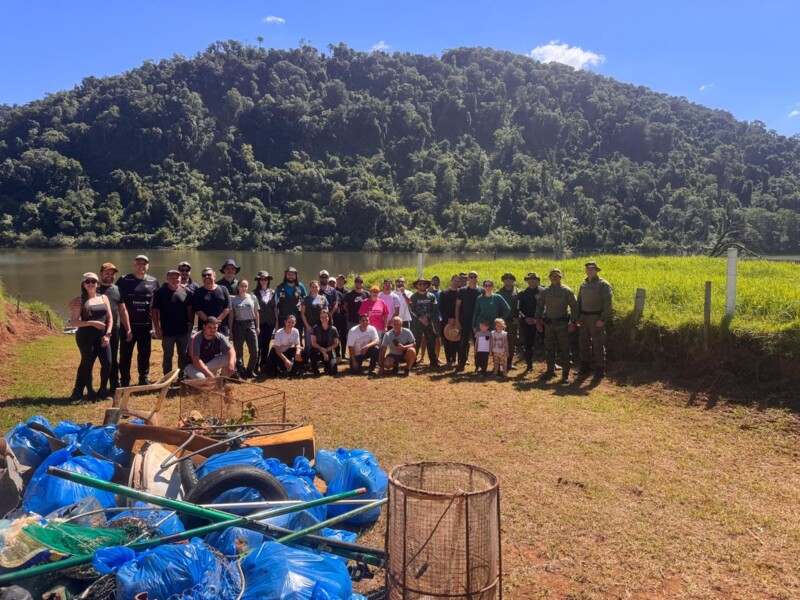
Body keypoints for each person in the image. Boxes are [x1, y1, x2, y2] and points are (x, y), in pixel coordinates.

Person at [68, 272, 113, 400]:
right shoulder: (80, 301)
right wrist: (91, 323)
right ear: (83, 284)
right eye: (87, 281)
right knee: (87, 364)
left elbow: (110, 319)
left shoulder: (104, 298)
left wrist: (108, 335)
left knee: (107, 363)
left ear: (98, 283)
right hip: (85, 337)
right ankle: (90, 392)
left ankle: (103, 390)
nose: (91, 284)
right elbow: (73, 322)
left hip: (103, 336)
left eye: (93, 281)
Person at [117, 255, 159, 387]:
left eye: (144, 263)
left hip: (145, 326)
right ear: (134, 265)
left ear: (148, 266)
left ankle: (143, 378)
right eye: (139, 263)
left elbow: (157, 305)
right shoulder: (124, 280)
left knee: (145, 354)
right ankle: (124, 380)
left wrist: (156, 326)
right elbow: (114, 298)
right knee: (125, 354)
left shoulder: (153, 281)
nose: (141, 265)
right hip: (128, 326)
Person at [536, 269, 578, 383]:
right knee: (549, 349)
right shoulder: (545, 291)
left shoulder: (566, 291)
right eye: (552, 276)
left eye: (557, 276)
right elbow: (539, 306)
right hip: (549, 325)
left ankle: (565, 375)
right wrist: (538, 321)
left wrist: (573, 323)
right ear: (549, 278)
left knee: (565, 349)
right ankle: (550, 371)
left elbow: (574, 306)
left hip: (563, 325)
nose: (555, 278)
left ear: (560, 277)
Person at [152, 269, 194, 379]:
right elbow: (155, 311)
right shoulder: (160, 292)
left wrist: (191, 324)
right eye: (172, 277)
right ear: (167, 279)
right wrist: (157, 328)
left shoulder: (187, 292)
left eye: (177, 277)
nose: (175, 279)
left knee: (183, 355)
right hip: (167, 331)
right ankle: (167, 378)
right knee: (167, 356)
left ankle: (182, 376)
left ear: (181, 279)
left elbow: (190, 310)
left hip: (183, 331)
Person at [577, 261, 613, 378]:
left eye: (592, 269)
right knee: (584, 343)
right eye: (588, 269)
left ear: (597, 270)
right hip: (584, 318)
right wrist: (577, 317)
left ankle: (600, 369)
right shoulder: (583, 284)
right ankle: (585, 366)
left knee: (598, 343)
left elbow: (607, 304)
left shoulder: (603, 284)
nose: (590, 271)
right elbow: (579, 301)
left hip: (596, 318)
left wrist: (602, 319)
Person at [97, 262, 122, 393]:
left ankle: (114, 385)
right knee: (91, 359)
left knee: (112, 359)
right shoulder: (94, 288)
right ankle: (83, 388)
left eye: (112, 274)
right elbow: (80, 303)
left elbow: (122, 309)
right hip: (97, 330)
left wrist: (128, 328)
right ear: (101, 274)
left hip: (113, 329)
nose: (109, 276)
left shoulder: (117, 289)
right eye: (107, 273)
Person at [229, 279, 259, 379]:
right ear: (238, 287)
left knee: (255, 350)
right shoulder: (233, 300)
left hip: (251, 325)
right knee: (239, 351)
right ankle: (241, 371)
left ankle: (250, 370)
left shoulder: (252, 297)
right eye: (242, 286)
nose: (244, 288)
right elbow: (231, 316)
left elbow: (256, 313)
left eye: (245, 286)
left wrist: (257, 326)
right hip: (238, 326)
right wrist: (230, 330)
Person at [409, 278, 439, 368]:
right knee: (416, 342)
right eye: (420, 284)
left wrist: (427, 317)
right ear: (417, 286)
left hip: (429, 323)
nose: (422, 285)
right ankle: (413, 361)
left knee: (431, 342)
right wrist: (420, 318)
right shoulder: (413, 297)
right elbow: (411, 309)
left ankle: (433, 362)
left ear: (426, 285)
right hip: (417, 324)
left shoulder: (431, 296)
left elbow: (435, 308)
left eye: (423, 284)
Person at [192, 267, 231, 335]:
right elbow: (197, 310)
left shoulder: (223, 289)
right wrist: (210, 322)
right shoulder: (198, 292)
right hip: (204, 328)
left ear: (214, 276)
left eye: (209, 275)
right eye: (204, 275)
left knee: (223, 345)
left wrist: (217, 320)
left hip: (221, 327)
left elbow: (228, 307)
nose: (206, 277)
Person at [455, 271, 481, 371]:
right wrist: (457, 320)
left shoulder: (481, 291)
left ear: (477, 278)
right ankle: (461, 363)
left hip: (477, 322)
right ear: (468, 279)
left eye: (475, 276)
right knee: (463, 343)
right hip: (464, 321)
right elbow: (457, 306)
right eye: (471, 277)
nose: (473, 278)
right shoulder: (462, 291)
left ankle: (478, 364)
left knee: (477, 344)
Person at [518, 272, 544, 372]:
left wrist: (540, 319)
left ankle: (552, 366)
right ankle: (529, 366)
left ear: (537, 280)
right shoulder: (522, 293)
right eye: (529, 279)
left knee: (549, 343)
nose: (532, 281)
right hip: (528, 322)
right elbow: (519, 308)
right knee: (528, 345)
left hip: (542, 322)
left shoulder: (543, 292)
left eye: (534, 279)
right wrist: (525, 318)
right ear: (527, 281)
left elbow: (547, 307)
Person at [253, 271, 276, 375]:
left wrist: (277, 323)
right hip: (259, 323)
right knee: (258, 345)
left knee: (266, 345)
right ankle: (255, 366)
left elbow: (275, 308)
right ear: (259, 280)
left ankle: (263, 365)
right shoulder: (254, 293)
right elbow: (253, 310)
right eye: (261, 279)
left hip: (270, 322)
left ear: (268, 280)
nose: (263, 281)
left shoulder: (273, 292)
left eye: (265, 279)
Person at [274, 267, 306, 340]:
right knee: (282, 340)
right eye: (289, 274)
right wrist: (276, 321)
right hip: (283, 318)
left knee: (298, 339)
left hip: (297, 317)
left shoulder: (300, 286)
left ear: (296, 275)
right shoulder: (279, 287)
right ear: (285, 275)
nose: (291, 276)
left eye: (293, 274)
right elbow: (275, 305)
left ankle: (298, 351)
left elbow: (305, 302)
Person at [497, 273, 520, 371]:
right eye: (506, 278)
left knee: (511, 344)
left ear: (513, 280)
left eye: (510, 278)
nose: (508, 280)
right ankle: (499, 365)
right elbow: (496, 308)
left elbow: (521, 307)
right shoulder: (498, 293)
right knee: (500, 344)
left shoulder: (518, 293)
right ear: (503, 280)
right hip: (502, 322)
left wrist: (518, 318)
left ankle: (509, 364)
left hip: (513, 322)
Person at [438, 275, 461, 367]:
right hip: (446, 320)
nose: (456, 282)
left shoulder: (461, 293)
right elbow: (441, 307)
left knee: (456, 339)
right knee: (447, 340)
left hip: (458, 320)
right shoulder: (444, 293)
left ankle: (454, 360)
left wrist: (456, 319)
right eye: (454, 280)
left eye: (458, 281)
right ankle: (448, 360)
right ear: (451, 281)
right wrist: (448, 318)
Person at [309, 309, 339, 376]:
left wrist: (327, 350)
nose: (324, 318)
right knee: (313, 352)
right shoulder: (315, 328)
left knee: (333, 371)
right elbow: (313, 343)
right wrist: (323, 351)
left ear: (329, 317)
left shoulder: (333, 329)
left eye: (326, 317)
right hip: (318, 350)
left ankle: (326, 367)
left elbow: (336, 343)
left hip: (329, 351)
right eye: (322, 317)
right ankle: (315, 370)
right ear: (319, 318)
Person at [301, 280, 328, 348]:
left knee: (319, 344)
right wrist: (307, 325)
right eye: (312, 287)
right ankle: (307, 358)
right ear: (310, 288)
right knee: (308, 345)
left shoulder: (322, 298)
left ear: (319, 287)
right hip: (309, 325)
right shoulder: (305, 299)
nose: (314, 289)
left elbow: (327, 311)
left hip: (320, 325)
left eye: (316, 287)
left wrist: (324, 312)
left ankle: (318, 358)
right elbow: (302, 313)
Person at [332, 274, 350, 359]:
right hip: (335, 316)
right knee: (336, 335)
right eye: (339, 279)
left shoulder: (347, 292)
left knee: (344, 335)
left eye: (342, 280)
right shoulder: (332, 291)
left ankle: (343, 354)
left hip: (344, 316)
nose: (340, 281)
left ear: (344, 281)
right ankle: (337, 353)